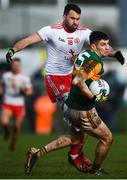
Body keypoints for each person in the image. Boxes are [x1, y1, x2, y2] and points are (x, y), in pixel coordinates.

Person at [6, 3, 124, 170]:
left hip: (71, 77)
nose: (75, 21)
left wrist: (115, 54)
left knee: (78, 130)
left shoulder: (83, 32)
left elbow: (101, 44)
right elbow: (28, 40)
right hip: (55, 79)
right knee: (80, 115)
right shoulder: (51, 30)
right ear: (64, 17)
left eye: (78, 18)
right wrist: (13, 50)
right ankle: (76, 155)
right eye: (72, 18)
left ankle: (69, 152)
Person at [24, 31, 113, 175]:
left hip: (72, 106)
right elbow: (78, 81)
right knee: (107, 138)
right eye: (103, 44)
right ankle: (94, 170)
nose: (107, 48)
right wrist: (92, 96)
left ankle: (37, 153)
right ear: (93, 46)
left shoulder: (85, 54)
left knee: (75, 138)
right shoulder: (94, 61)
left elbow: (76, 66)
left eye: (108, 44)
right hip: (83, 110)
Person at [0, 58, 33, 150]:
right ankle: (6, 131)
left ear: (20, 66)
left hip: (19, 104)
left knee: (16, 126)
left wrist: (25, 93)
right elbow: (2, 85)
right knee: (4, 122)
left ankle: (14, 141)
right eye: (14, 65)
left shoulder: (24, 78)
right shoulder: (6, 75)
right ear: (11, 66)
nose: (16, 67)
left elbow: (30, 91)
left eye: (17, 65)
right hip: (8, 102)